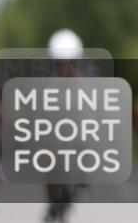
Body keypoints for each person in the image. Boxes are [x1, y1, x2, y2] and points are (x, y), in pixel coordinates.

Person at [44, 29, 84, 223]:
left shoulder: (85, 84)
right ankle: (52, 202)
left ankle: (79, 183)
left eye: (71, 63)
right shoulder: (48, 85)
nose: (66, 69)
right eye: (61, 64)